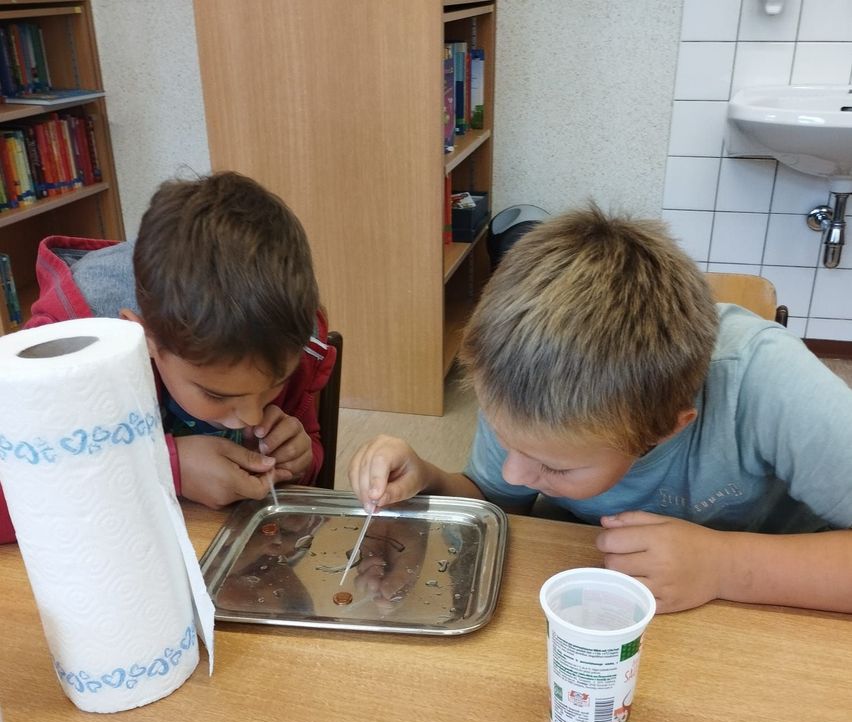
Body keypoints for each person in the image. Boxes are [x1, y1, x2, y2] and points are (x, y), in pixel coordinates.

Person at [348, 206, 852, 614]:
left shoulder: (768, 381)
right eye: (507, 441)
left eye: (554, 466)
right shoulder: (519, 374)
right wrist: (429, 482)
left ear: (663, 430)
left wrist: (725, 565)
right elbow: (500, 498)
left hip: (780, 607)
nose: (515, 469)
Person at [0, 171, 336, 544]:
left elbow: (306, 472)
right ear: (142, 337)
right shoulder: (67, 353)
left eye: (275, 386)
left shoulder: (279, 335)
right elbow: (16, 493)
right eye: (217, 395)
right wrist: (166, 469)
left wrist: (299, 459)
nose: (254, 416)